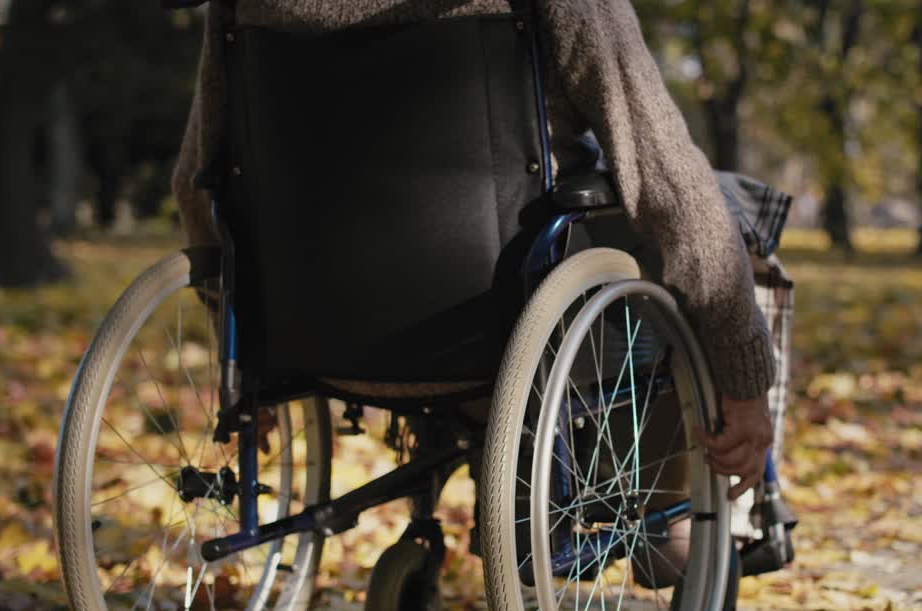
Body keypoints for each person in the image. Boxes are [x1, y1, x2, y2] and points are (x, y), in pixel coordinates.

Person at [173, 0, 776, 499]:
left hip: (310, 334)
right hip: (501, 331)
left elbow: (200, 180)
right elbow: (665, 176)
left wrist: (241, 363)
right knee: (725, 209)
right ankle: (683, 501)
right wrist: (744, 376)